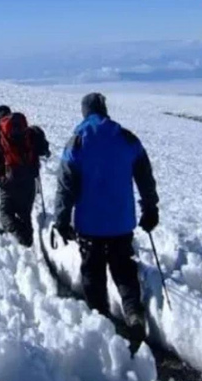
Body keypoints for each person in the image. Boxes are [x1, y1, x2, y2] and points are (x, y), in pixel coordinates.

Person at [53, 93, 159, 349]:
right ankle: (134, 313)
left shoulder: (77, 142)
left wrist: (61, 220)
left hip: (90, 225)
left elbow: (65, 186)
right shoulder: (126, 137)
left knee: (93, 273)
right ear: (104, 110)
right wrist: (150, 209)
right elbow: (145, 176)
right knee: (124, 270)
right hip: (122, 222)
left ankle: (101, 322)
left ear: (85, 112)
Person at [0, 105, 50, 247]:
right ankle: (29, 245)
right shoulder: (28, 133)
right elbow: (44, 150)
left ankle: (22, 239)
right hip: (29, 183)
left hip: (8, 185)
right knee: (25, 215)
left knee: (5, 214)